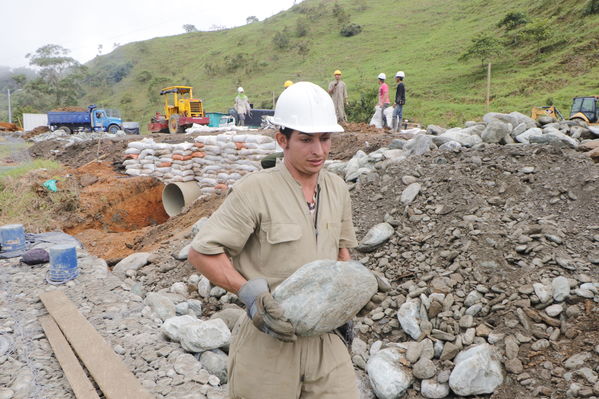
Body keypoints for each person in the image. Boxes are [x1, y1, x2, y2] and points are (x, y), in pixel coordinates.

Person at [188, 81, 360, 399]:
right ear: (282, 139)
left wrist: (355, 288)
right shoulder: (255, 190)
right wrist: (250, 294)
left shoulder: (337, 189)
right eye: (306, 140)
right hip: (268, 341)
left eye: (325, 138)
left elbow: (342, 252)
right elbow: (202, 252)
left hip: (325, 339)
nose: (319, 150)